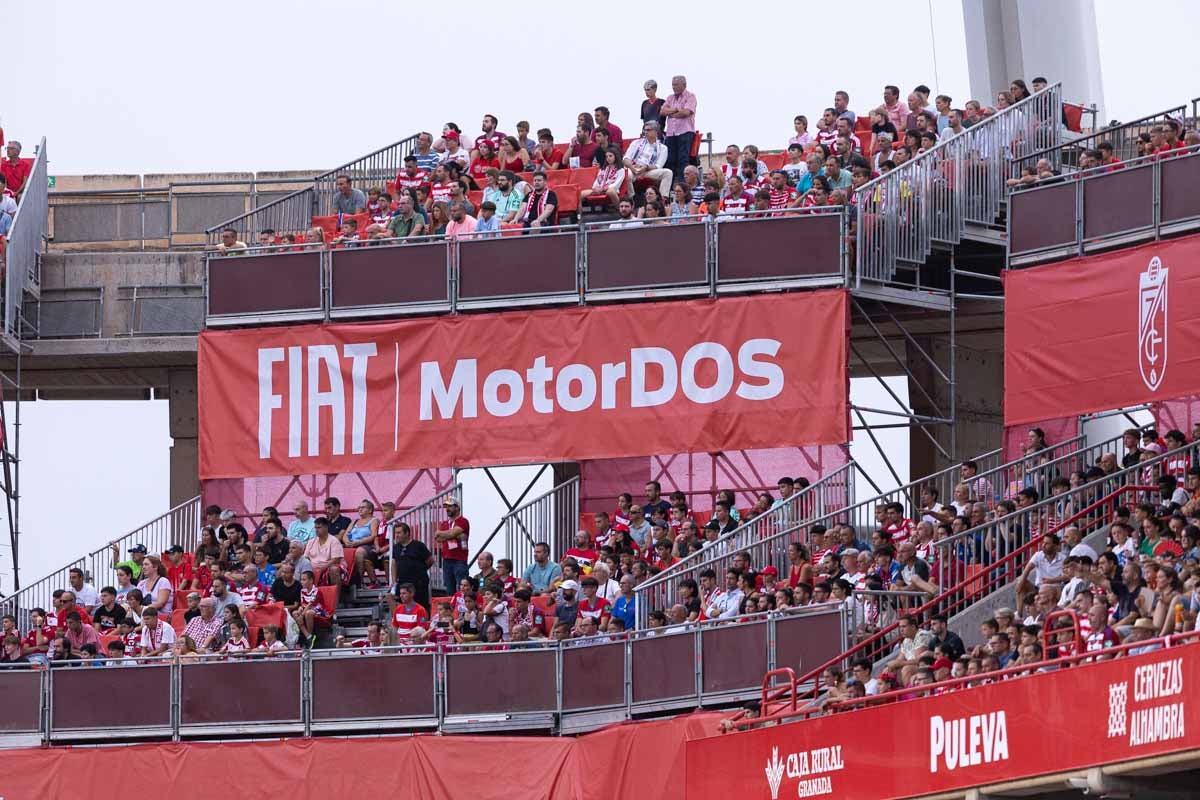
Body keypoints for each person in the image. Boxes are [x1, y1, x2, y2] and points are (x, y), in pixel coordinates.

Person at [661, 75, 697, 183]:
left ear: (684, 85)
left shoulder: (690, 96)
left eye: (676, 84)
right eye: (672, 84)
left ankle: (682, 184)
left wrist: (671, 112)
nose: (673, 87)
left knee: (683, 159)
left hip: (685, 132)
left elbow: (686, 112)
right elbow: (662, 112)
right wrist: (676, 110)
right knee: (670, 159)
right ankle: (671, 185)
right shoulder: (670, 97)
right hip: (671, 133)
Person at [391, 521, 433, 610]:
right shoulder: (396, 547)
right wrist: (394, 581)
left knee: (421, 606)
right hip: (402, 582)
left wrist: (420, 570)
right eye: (396, 533)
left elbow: (430, 560)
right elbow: (394, 563)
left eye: (399, 533)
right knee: (402, 606)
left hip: (419, 582)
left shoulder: (418, 545)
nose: (396, 535)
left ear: (407, 533)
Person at [623, 121, 671, 196]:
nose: (645, 132)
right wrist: (632, 168)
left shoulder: (663, 148)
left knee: (668, 173)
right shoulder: (636, 143)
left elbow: (658, 166)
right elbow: (626, 159)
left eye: (648, 130)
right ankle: (631, 198)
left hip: (648, 171)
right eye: (645, 130)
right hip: (633, 169)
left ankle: (663, 200)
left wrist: (646, 167)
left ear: (656, 132)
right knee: (626, 174)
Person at [304, 517, 345, 586]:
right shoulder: (311, 541)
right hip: (313, 568)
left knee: (334, 569)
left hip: (329, 567)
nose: (316, 530)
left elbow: (335, 560)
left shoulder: (334, 541)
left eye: (319, 527)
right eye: (315, 528)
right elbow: (306, 558)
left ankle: (336, 596)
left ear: (326, 527)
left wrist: (321, 569)